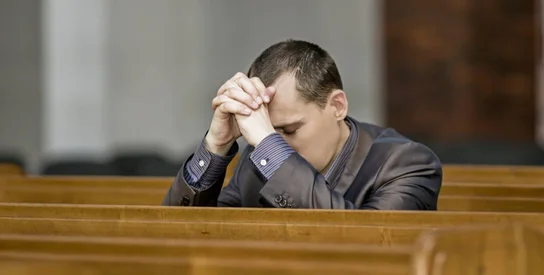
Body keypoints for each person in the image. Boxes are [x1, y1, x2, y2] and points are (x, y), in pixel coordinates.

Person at [162, 39, 442, 209]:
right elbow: (180, 237)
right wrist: (216, 145)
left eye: (290, 130)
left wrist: (268, 146)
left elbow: (363, 241)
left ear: (337, 106)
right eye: (264, 131)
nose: (271, 143)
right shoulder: (254, 163)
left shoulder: (408, 164)